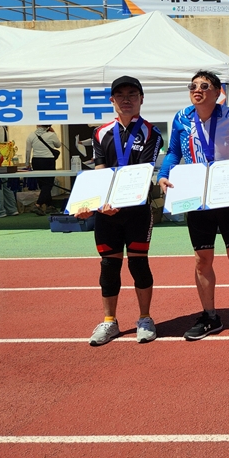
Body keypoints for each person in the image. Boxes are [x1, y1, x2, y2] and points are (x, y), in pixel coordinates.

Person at [158, 70, 229, 340]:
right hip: (197, 198)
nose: (197, 90)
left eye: (204, 86)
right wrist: (163, 175)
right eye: (193, 86)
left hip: (227, 195)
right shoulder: (182, 118)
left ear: (217, 92)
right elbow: (173, 152)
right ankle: (210, 315)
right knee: (202, 259)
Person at [78, 76, 164, 346]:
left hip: (137, 210)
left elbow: (142, 173)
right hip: (108, 212)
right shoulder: (100, 132)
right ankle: (109, 321)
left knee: (139, 264)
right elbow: (100, 171)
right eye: (120, 95)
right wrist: (94, 203)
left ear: (141, 99)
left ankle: (145, 318)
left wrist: (116, 200)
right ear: (112, 100)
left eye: (132, 94)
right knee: (108, 267)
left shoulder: (151, 133)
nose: (126, 99)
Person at [24, 123, 62, 214]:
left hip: (36, 160)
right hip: (48, 160)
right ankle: (38, 204)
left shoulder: (31, 135)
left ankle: (50, 206)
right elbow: (58, 145)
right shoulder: (51, 135)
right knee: (48, 184)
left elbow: (28, 150)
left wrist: (27, 163)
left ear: (37, 125)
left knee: (42, 184)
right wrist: (54, 133)